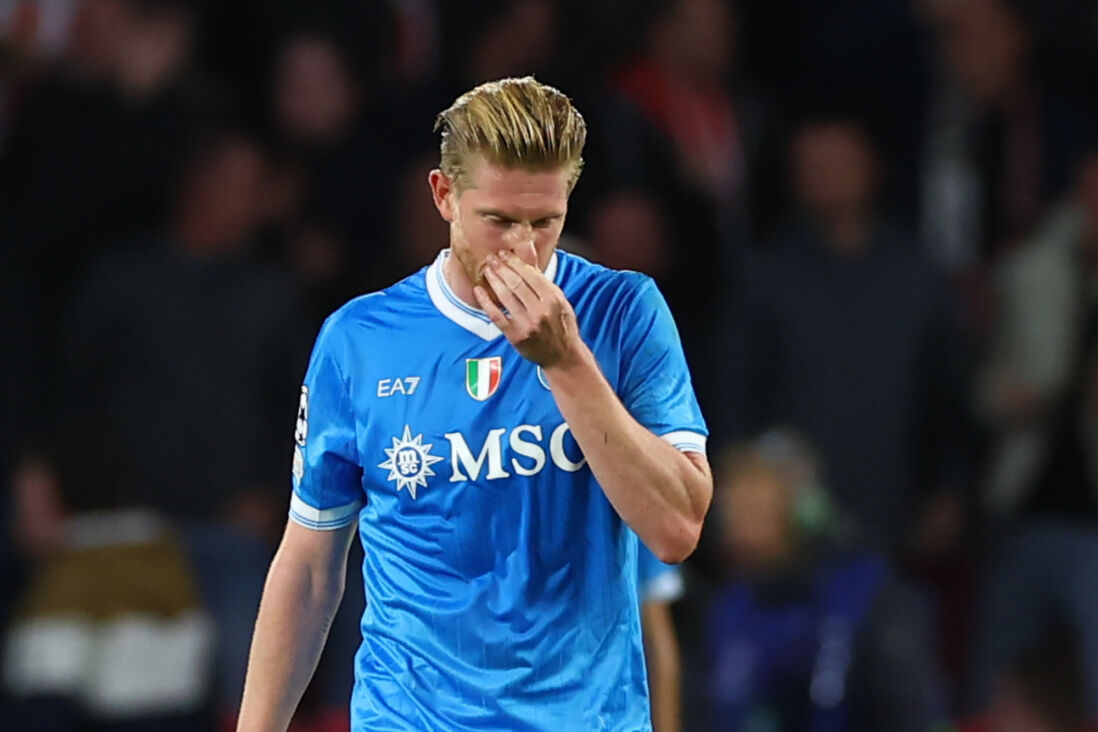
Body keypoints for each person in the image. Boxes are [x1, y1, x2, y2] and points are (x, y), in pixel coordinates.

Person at [237, 76, 713, 731]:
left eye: (545, 221)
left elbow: (678, 529)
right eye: (499, 221)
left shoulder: (624, 313)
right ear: (444, 195)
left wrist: (566, 362)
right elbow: (311, 564)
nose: (523, 247)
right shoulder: (358, 342)